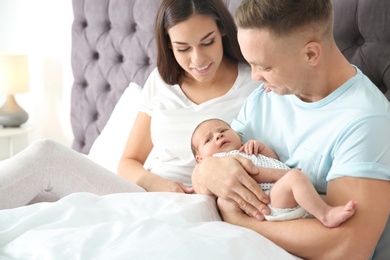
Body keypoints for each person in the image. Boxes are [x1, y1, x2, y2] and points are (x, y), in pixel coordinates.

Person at [0, 0, 259, 209]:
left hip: (196, 201)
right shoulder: (160, 81)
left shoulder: (255, 81)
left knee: (47, 157)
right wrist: (155, 182)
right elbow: (129, 161)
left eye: (207, 42)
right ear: (169, 46)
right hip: (144, 191)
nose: (198, 59)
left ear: (223, 30)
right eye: (183, 48)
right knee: (37, 200)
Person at [191, 0, 390, 259]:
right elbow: (208, 167)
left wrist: (240, 221)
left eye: (265, 66)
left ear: (310, 54)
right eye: (251, 64)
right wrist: (205, 172)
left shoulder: (366, 122)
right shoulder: (267, 96)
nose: (254, 77)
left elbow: (347, 248)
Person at [191, 118, 357, 228]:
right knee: (296, 179)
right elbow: (254, 173)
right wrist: (286, 176)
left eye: (223, 130)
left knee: (315, 194)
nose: (218, 136)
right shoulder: (220, 160)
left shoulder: (245, 149)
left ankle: (327, 209)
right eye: (208, 140)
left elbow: (275, 161)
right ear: (200, 158)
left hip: (279, 195)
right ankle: (326, 215)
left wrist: (262, 148)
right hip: (268, 201)